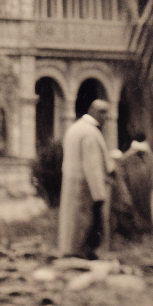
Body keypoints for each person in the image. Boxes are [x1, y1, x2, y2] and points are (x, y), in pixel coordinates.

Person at [58, 99, 113, 259]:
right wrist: (99, 195)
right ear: (93, 111)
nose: (105, 117)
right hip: (85, 185)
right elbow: (92, 165)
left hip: (71, 181)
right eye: (102, 112)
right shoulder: (90, 133)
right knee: (85, 220)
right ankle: (82, 252)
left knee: (72, 219)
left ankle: (70, 249)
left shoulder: (75, 128)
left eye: (106, 113)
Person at [111, 133, 153, 241]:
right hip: (132, 189)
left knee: (144, 211)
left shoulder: (148, 157)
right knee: (133, 213)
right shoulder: (126, 159)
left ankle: (143, 233)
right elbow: (121, 177)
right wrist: (125, 192)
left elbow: (151, 173)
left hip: (144, 189)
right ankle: (134, 235)